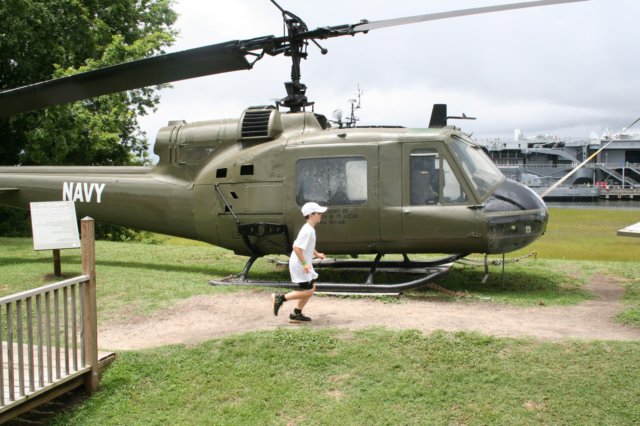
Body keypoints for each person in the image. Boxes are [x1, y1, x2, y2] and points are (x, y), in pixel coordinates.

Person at [272, 202, 327, 323]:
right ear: (311, 215)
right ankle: (280, 298)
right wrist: (305, 264)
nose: (321, 215)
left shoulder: (309, 229)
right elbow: (296, 247)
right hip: (300, 264)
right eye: (319, 213)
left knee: (311, 288)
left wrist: (317, 254)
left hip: (303, 264)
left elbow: (306, 245)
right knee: (309, 291)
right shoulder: (307, 230)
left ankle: (296, 313)